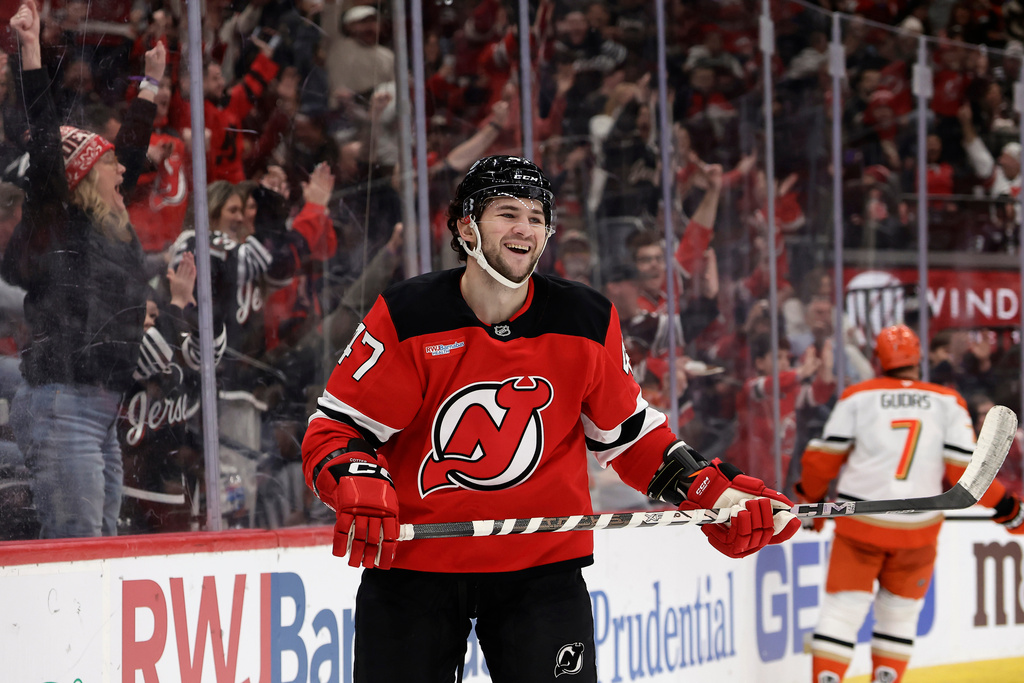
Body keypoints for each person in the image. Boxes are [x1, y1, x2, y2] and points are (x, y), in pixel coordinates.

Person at [300, 155, 800, 681]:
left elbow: (630, 437)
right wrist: (354, 477)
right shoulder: (408, 314)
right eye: (507, 213)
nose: (525, 228)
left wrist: (716, 496)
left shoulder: (583, 318)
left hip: (542, 570)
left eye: (537, 217)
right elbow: (337, 430)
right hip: (416, 565)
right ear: (466, 225)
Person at [1, 0, 164, 538]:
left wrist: (151, 87)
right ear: (82, 178)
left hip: (99, 405)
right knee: (79, 547)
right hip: (62, 402)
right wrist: (29, 51)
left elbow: (133, 155)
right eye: (109, 164)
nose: (123, 168)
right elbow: (47, 142)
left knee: (101, 550)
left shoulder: (106, 227)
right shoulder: (62, 219)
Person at [797, 324, 1024, 683]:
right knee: (899, 616)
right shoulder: (948, 401)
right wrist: (1008, 509)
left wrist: (811, 502)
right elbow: (967, 472)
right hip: (918, 531)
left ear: (877, 358)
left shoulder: (858, 396)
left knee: (842, 612)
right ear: (917, 358)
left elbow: (821, 460)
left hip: (861, 522)